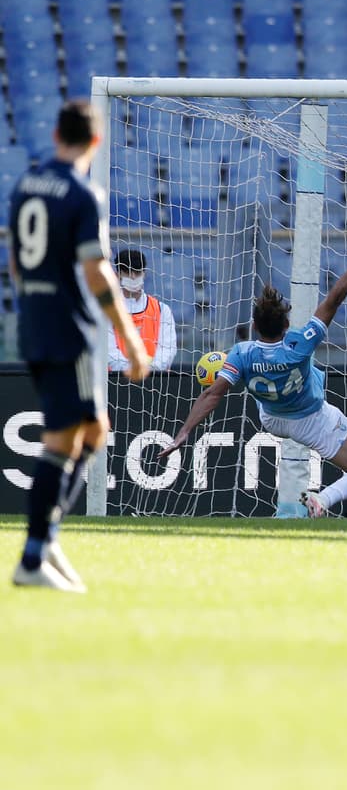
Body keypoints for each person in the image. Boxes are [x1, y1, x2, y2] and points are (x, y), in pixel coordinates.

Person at [8, 99, 152, 592]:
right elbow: (96, 272)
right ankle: (34, 555)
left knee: (94, 430)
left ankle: (45, 541)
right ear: (95, 141)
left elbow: (15, 264)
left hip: (33, 322)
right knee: (63, 441)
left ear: (55, 135)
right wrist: (130, 337)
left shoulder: (25, 185)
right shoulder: (82, 194)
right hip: (67, 331)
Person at [158, 245, 347, 518]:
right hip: (310, 419)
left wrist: (184, 431)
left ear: (254, 326)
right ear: (286, 324)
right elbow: (334, 300)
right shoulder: (299, 344)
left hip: (271, 418)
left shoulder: (241, 353)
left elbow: (212, 394)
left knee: (293, 387)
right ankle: (322, 500)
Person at [106, 248, 177, 372]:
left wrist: (150, 368)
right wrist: (132, 369)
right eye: (127, 272)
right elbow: (109, 351)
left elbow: (167, 350)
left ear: (144, 273)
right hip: (116, 381)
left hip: (154, 381)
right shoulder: (107, 311)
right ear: (117, 275)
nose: (133, 277)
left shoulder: (162, 310)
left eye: (137, 272)